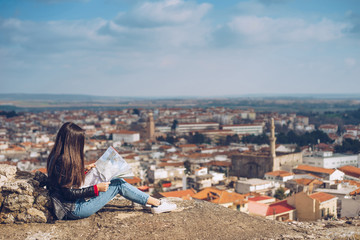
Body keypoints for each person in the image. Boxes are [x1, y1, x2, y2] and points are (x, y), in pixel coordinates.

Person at [46, 122, 176, 220]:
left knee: (115, 180)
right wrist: (96, 188)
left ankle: (148, 201)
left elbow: (62, 181)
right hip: (73, 209)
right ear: (73, 142)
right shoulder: (64, 160)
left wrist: (82, 170)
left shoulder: (56, 156)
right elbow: (68, 193)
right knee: (118, 184)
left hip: (69, 205)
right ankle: (157, 204)